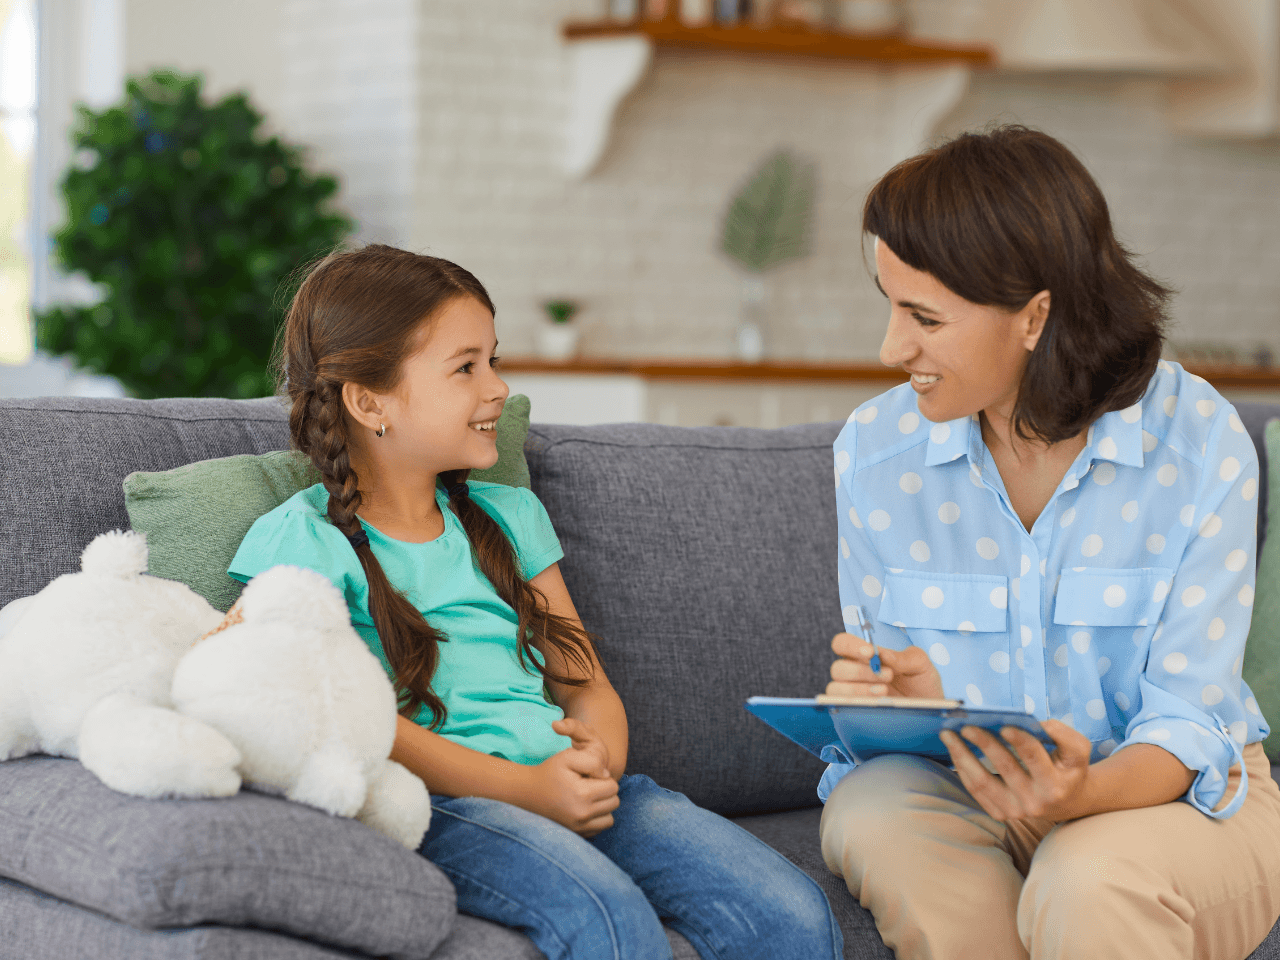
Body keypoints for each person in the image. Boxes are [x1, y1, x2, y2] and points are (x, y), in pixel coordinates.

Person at [227, 244, 842, 960]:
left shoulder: (510, 518)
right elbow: (354, 723)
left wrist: (598, 765)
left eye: (494, 359)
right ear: (370, 402)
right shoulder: (299, 543)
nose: (498, 387)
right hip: (449, 810)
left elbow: (588, 688)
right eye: (466, 367)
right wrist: (528, 789)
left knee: (791, 911)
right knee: (607, 921)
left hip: (568, 786)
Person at [820, 126, 1280, 960]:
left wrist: (1081, 793)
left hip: (1169, 804)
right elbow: (895, 722)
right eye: (890, 307)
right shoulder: (875, 453)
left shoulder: (1198, 442)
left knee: (1087, 878)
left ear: (1035, 315)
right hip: (967, 787)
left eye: (925, 317)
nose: (892, 350)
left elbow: (1187, 724)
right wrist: (908, 703)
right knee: (870, 808)